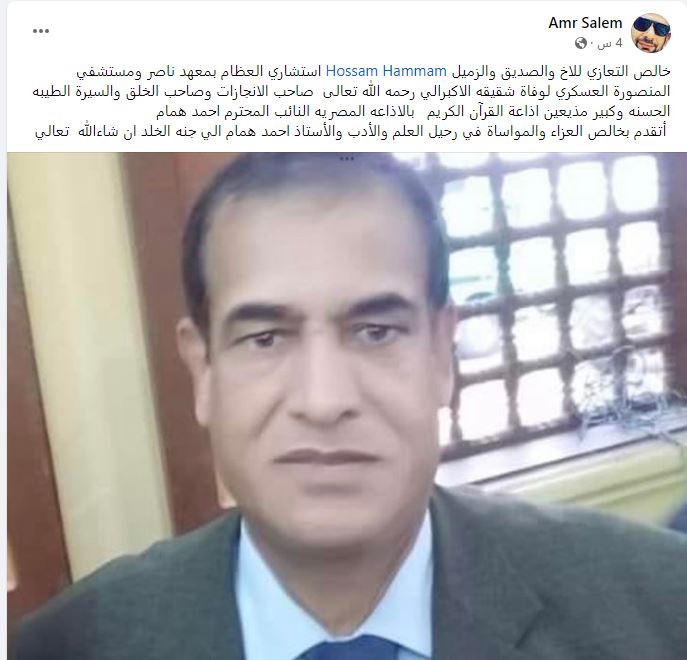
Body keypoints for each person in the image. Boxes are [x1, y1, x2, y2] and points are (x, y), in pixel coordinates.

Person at [11, 153, 687, 660]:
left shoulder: (658, 606)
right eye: (265, 338)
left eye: (375, 331)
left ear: (441, 354)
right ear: (203, 371)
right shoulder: (68, 646)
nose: (324, 400)